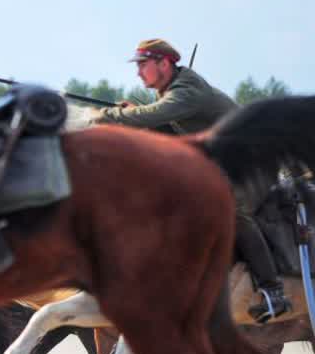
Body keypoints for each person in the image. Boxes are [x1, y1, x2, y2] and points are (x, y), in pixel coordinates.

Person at [96, 38, 289, 321]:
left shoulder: (187, 91)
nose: (138, 73)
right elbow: (171, 132)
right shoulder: (173, 92)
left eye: (143, 65)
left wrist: (112, 116)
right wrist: (131, 117)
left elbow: (153, 115)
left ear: (164, 63)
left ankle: (274, 292)